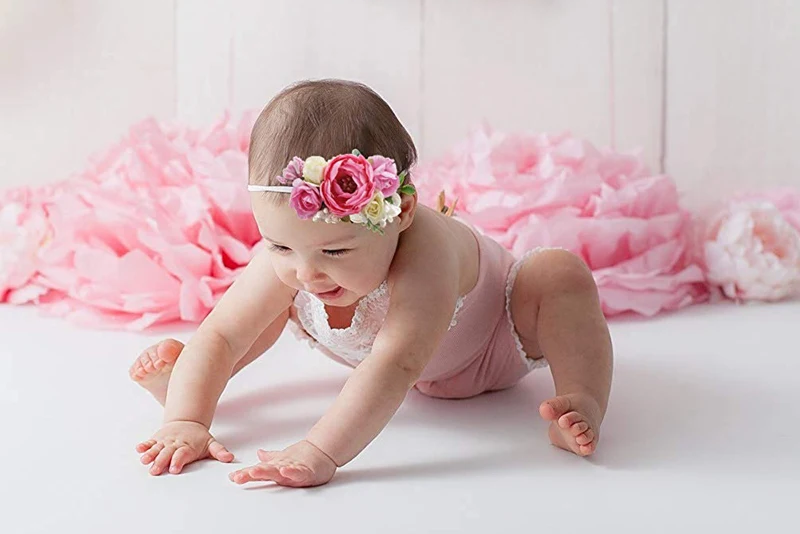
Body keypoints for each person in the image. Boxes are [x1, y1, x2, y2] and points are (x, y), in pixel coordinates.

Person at [130, 79, 613, 487]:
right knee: (269, 304)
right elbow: (221, 332)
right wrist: (184, 424)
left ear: (399, 213)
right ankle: (190, 392)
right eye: (279, 245)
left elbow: (397, 363)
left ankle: (582, 396)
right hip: (386, 357)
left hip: (491, 346)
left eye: (335, 251)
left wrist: (321, 450)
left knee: (558, 273)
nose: (305, 271)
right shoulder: (299, 256)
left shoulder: (428, 252)